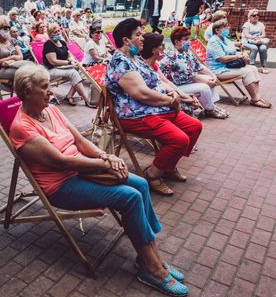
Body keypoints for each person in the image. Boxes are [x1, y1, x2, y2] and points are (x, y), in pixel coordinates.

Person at [10, 65, 189, 297]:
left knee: (141, 184)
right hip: (61, 185)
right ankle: (151, 267)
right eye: (44, 87)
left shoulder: (51, 110)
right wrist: (104, 164)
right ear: (25, 92)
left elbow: (81, 142)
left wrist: (106, 156)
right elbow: (63, 162)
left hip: (83, 170)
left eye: (49, 86)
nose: (50, 91)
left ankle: (149, 253)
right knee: (130, 197)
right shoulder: (22, 126)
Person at [105, 18, 203, 196]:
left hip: (156, 109)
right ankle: (152, 175)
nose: (143, 37)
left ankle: (167, 165)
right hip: (135, 115)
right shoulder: (121, 62)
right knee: (179, 140)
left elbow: (158, 80)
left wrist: (174, 94)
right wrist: (170, 100)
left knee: (194, 127)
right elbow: (141, 94)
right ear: (126, 40)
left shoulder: (135, 58)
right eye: (138, 34)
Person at [160, 27, 228, 119]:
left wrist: (212, 75)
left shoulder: (186, 53)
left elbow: (199, 66)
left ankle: (212, 106)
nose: (189, 42)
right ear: (176, 42)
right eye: (185, 39)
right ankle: (210, 110)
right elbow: (191, 76)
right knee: (204, 87)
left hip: (185, 83)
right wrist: (207, 80)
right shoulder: (173, 56)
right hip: (174, 87)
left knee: (210, 80)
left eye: (189, 39)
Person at [207, 19, 271, 108]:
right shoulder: (214, 41)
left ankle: (257, 96)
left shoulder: (224, 39)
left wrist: (242, 54)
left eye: (227, 26)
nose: (228, 28)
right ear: (217, 30)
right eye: (225, 27)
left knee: (253, 68)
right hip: (219, 70)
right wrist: (238, 56)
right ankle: (254, 99)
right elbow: (222, 59)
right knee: (247, 72)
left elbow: (232, 52)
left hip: (229, 66)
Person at [141, 32, 205, 117]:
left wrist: (184, 96)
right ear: (153, 50)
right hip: (159, 101)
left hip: (170, 94)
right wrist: (183, 97)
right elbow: (156, 91)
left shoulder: (154, 64)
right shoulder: (143, 66)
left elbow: (166, 82)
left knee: (191, 101)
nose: (164, 48)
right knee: (190, 104)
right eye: (161, 45)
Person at [44, 23, 94, 108]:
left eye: (58, 31)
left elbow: (69, 55)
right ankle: (87, 99)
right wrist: (69, 63)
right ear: (49, 34)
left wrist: (73, 61)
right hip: (51, 69)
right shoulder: (48, 44)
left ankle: (69, 95)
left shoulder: (62, 42)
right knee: (73, 73)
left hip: (63, 68)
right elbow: (53, 61)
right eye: (54, 32)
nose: (57, 34)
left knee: (80, 70)